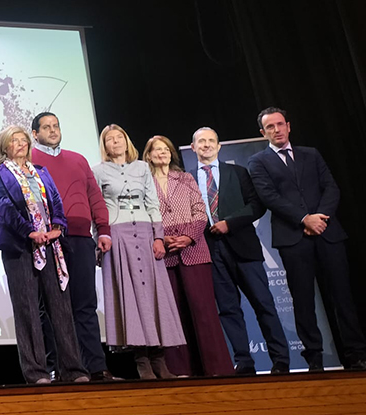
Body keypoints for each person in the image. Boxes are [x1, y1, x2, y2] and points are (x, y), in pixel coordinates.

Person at [247, 107, 366, 371]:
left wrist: (319, 217)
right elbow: (270, 198)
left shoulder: (311, 154)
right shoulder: (258, 162)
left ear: (288, 126)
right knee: (302, 300)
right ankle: (314, 357)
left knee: (342, 296)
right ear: (262, 132)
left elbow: (331, 187)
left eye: (280, 124)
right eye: (270, 127)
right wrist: (304, 219)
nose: (277, 130)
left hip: (328, 233)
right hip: (293, 238)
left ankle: (356, 354)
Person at [0, 126, 89, 384]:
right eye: (15, 140)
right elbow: (4, 205)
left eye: (24, 140)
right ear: (5, 147)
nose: (21, 144)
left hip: (51, 245)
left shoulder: (41, 172)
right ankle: (36, 372)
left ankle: (73, 370)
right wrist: (29, 232)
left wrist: (57, 227)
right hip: (19, 246)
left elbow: (55, 201)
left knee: (61, 308)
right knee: (27, 309)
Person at [190, 127, 289, 375]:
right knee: (228, 309)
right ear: (193, 147)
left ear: (219, 146)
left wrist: (229, 223)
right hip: (210, 251)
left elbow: (256, 206)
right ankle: (243, 362)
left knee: (263, 304)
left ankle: (281, 360)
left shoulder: (239, 172)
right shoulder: (187, 179)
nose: (206, 145)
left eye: (211, 140)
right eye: (201, 141)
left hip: (243, 248)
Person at [92, 124, 185, 379]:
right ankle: (142, 362)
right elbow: (97, 210)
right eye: (109, 139)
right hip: (117, 235)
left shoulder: (142, 168)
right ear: (105, 145)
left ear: (126, 140)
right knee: (129, 299)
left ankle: (160, 361)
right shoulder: (98, 171)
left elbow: (152, 202)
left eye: (119, 138)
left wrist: (158, 237)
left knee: (155, 297)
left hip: (145, 233)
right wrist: (99, 238)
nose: (115, 142)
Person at [30, 112, 114, 381]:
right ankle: (61, 367)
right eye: (46, 127)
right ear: (35, 133)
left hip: (81, 238)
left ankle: (96, 367)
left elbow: (94, 196)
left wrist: (103, 230)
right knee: (54, 306)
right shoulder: (30, 161)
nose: (53, 131)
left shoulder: (78, 159)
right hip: (49, 239)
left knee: (85, 304)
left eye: (56, 126)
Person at [143, 136, 233, 377]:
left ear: (172, 154)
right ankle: (181, 370)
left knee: (204, 311)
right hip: (164, 252)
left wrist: (190, 237)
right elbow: (145, 216)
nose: (162, 154)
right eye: (156, 150)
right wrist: (161, 237)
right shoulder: (144, 183)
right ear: (148, 156)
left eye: (165, 150)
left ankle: (217, 369)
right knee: (174, 314)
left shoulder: (186, 178)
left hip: (194, 249)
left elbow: (199, 211)